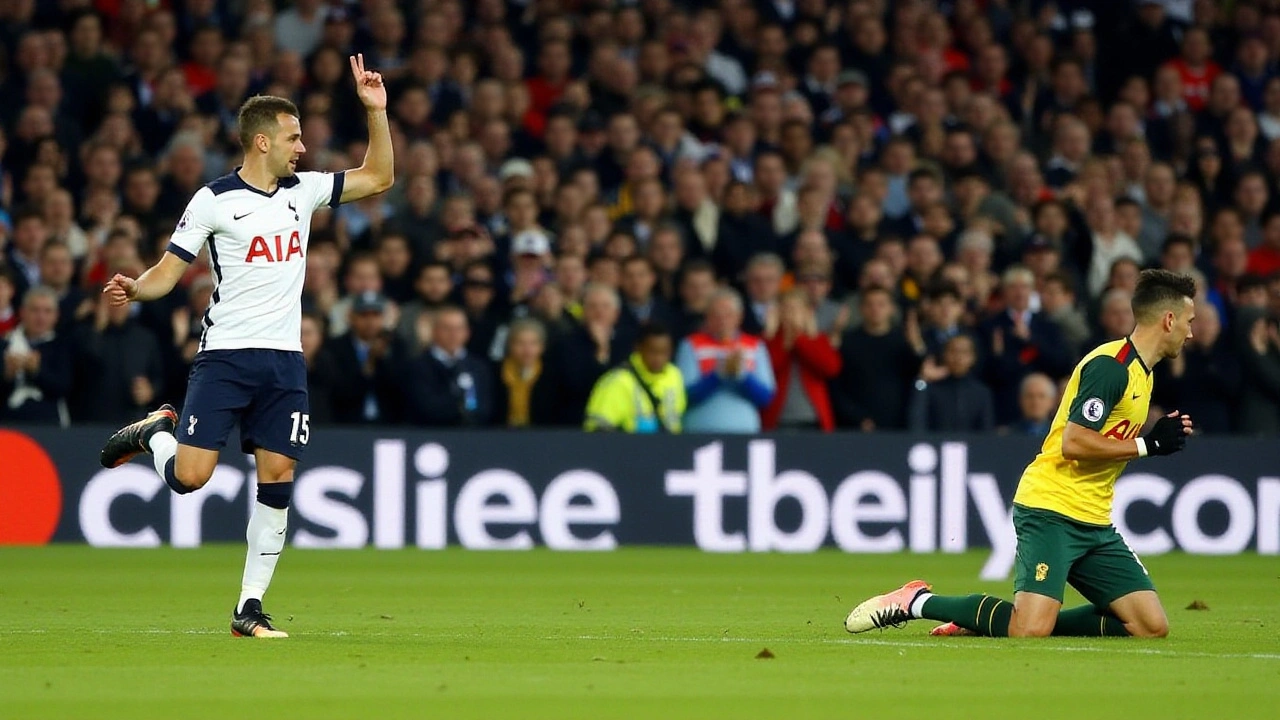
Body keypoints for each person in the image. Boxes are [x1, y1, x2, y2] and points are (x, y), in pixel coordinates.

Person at [95, 56, 395, 639]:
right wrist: (136, 288)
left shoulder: (303, 193)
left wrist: (376, 113)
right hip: (226, 357)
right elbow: (168, 270)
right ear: (262, 141)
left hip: (284, 361)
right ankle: (155, 432)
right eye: (293, 137)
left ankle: (248, 607)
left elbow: (378, 176)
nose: (303, 148)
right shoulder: (213, 200)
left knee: (278, 476)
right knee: (190, 478)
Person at [844, 270, 1196, 640]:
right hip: (1052, 509)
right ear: (1168, 319)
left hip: (1094, 518)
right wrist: (1148, 444)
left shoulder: (1144, 373)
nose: (1190, 333)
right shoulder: (1112, 368)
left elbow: (1103, 439)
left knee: (1149, 626)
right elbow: (1073, 443)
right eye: (1189, 322)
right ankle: (916, 601)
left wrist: (1148, 441)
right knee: (1028, 630)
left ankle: (986, 619)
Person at [676, 288, 775, 433]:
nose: (722, 320)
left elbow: (766, 398)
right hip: (700, 434)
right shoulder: (690, 345)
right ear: (707, 317)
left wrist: (742, 375)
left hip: (745, 433)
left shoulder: (755, 346)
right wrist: (718, 374)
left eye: (728, 315)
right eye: (716, 315)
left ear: (739, 317)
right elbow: (685, 396)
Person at [584, 322, 685, 433]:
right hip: (631, 448)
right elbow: (597, 429)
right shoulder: (618, 381)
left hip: (670, 447)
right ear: (639, 348)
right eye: (653, 351)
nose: (658, 358)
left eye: (664, 352)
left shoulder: (675, 376)